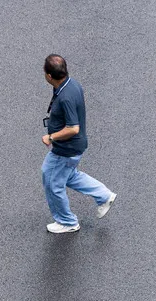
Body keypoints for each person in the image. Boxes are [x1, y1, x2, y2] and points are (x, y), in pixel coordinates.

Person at [40, 54, 116, 233]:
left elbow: (73, 128)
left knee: (52, 181)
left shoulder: (65, 96)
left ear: (49, 76)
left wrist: (51, 137)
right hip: (76, 146)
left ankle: (67, 222)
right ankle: (104, 195)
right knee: (69, 175)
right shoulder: (73, 85)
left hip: (65, 149)